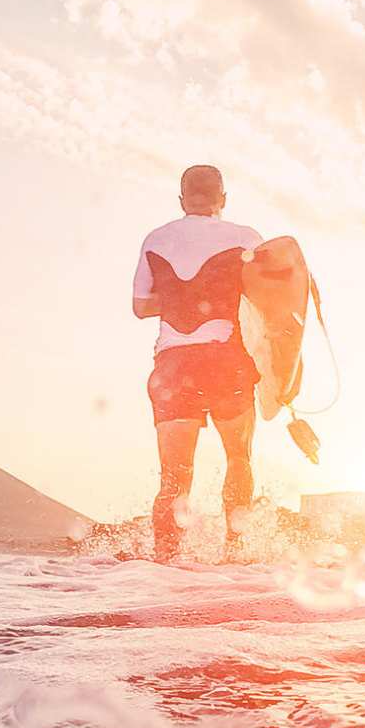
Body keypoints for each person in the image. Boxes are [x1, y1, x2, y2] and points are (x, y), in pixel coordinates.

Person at [132, 164, 263, 561]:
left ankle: (166, 560)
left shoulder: (156, 239)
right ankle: (236, 553)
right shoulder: (246, 238)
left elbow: (140, 307)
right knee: (238, 458)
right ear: (222, 199)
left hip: (173, 366)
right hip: (226, 360)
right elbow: (269, 298)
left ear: (181, 199)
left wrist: (179, 300)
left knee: (174, 475)